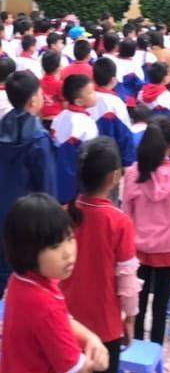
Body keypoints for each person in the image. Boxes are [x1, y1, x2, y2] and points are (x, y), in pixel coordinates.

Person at [0, 193, 108, 373]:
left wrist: (91, 338)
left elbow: (62, 320)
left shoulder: (22, 283)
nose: (68, 252)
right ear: (27, 251)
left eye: (70, 238)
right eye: (54, 246)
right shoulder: (43, 304)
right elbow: (75, 372)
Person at [60, 137, 139, 373]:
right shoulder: (119, 222)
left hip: (65, 325)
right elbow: (127, 280)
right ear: (114, 177)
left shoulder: (64, 214)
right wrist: (130, 319)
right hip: (105, 329)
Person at [123, 116, 170, 345]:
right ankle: (156, 349)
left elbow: (126, 213)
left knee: (138, 303)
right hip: (168, 248)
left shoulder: (133, 174)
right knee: (161, 305)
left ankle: (136, 349)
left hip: (137, 247)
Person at [0, 70, 56, 298]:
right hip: (26, 220)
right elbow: (47, 188)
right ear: (33, 100)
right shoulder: (39, 139)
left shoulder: (3, 126)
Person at [51, 73, 99, 205]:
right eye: (91, 92)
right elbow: (90, 157)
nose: (95, 95)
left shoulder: (60, 117)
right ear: (79, 101)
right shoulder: (87, 124)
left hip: (58, 179)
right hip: (76, 183)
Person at [90, 56, 136, 169]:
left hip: (90, 159)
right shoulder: (116, 103)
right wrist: (128, 165)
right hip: (111, 162)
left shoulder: (87, 99)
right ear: (113, 80)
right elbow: (125, 136)